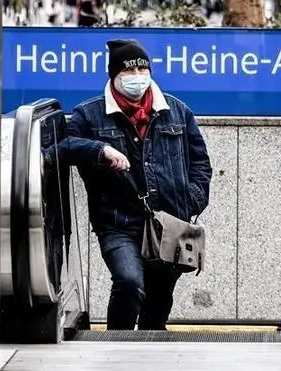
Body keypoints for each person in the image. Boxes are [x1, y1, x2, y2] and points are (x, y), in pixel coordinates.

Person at [45, 39, 213, 330]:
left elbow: (201, 163)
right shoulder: (89, 114)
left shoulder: (177, 111)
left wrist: (192, 200)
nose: (138, 79)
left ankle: (151, 350)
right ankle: (117, 344)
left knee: (159, 299)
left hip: (169, 223)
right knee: (129, 282)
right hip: (117, 222)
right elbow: (61, 149)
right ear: (114, 76)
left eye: (143, 71)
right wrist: (100, 150)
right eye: (129, 73)